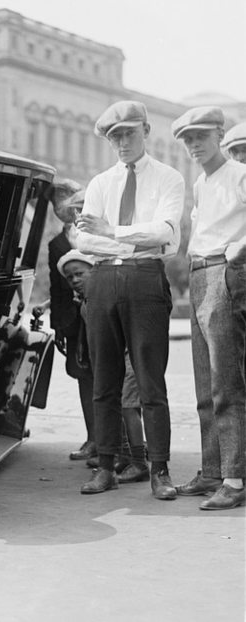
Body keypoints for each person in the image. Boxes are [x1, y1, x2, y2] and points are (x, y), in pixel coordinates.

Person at [75, 100, 185, 499]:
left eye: (128, 133)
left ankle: (160, 470)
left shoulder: (169, 178)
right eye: (114, 136)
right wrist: (120, 233)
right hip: (102, 278)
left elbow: (164, 232)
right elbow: (84, 238)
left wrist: (112, 229)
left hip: (145, 278)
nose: (121, 142)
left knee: (150, 380)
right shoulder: (101, 183)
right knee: (104, 379)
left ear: (145, 131)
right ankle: (106, 467)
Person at [171, 106, 246, 510]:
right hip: (200, 272)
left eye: (200, 136)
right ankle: (213, 471)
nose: (194, 145)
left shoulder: (239, 173)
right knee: (204, 382)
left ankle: (235, 479)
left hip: (224, 271)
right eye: (187, 139)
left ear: (219, 134)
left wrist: (240, 249)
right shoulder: (201, 184)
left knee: (225, 382)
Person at [57, 249, 149, 485]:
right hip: (115, 359)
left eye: (80, 274)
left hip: (131, 356)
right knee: (116, 404)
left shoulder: (107, 296)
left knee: (128, 406)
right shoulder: (85, 302)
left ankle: (139, 462)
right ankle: (125, 454)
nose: (75, 280)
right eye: (70, 278)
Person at [43, 180, 96, 461]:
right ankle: (93, 438)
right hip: (73, 323)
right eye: (55, 202)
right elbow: (55, 286)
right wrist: (58, 326)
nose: (60, 206)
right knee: (83, 377)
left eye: (65, 198)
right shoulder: (56, 244)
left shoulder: (95, 234)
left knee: (109, 376)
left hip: (99, 315)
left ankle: (120, 441)